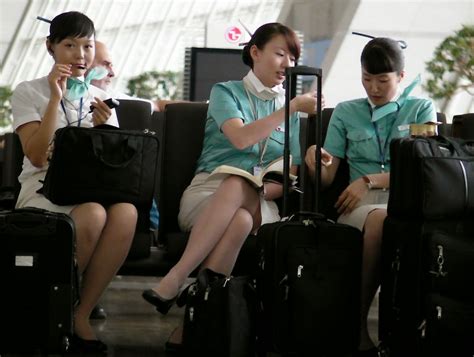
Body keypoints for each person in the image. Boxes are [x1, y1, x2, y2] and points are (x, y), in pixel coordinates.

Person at [142, 22, 321, 348]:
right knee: (237, 213)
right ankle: (188, 327)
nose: (287, 64)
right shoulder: (225, 92)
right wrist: (290, 107)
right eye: (280, 53)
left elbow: (290, 172)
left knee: (243, 190)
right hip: (207, 194)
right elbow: (240, 138)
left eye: (292, 58)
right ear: (255, 52)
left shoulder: (289, 111)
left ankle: (177, 278)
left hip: (262, 201)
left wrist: (263, 189)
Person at [11, 11, 137, 353]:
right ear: (50, 47)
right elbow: (37, 157)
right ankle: (52, 306)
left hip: (89, 189)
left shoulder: (99, 99)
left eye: (87, 45)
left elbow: (109, 166)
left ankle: (79, 312)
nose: (80, 55)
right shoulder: (29, 92)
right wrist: (55, 97)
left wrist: (102, 128)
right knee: (94, 213)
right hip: (42, 190)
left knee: (126, 212)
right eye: (70, 45)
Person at [305, 37, 436, 356]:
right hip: (358, 207)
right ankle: (359, 325)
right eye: (367, 79)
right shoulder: (346, 112)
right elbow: (326, 179)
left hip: (406, 202)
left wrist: (370, 179)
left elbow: (425, 169)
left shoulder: (421, 109)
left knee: (383, 219)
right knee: (377, 219)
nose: (374, 88)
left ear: (401, 78)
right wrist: (313, 159)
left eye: (383, 80)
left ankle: (356, 320)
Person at [88, 40, 180, 112]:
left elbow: (157, 106)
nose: (112, 74)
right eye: (105, 64)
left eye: (111, 66)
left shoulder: (111, 97)